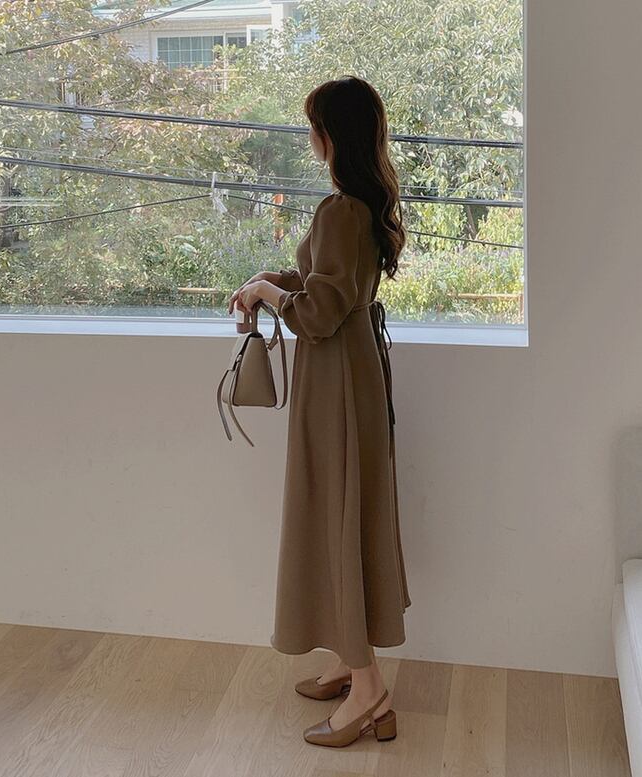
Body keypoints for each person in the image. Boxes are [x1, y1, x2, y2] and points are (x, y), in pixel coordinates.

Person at [228, 75, 411, 748]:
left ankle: (368, 689)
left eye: (314, 125)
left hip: (334, 381)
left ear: (330, 135)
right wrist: (272, 282)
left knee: (334, 515)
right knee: (345, 513)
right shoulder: (360, 207)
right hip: (352, 374)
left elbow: (316, 314)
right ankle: (348, 659)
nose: (310, 137)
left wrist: (271, 295)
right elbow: (330, 287)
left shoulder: (340, 210)